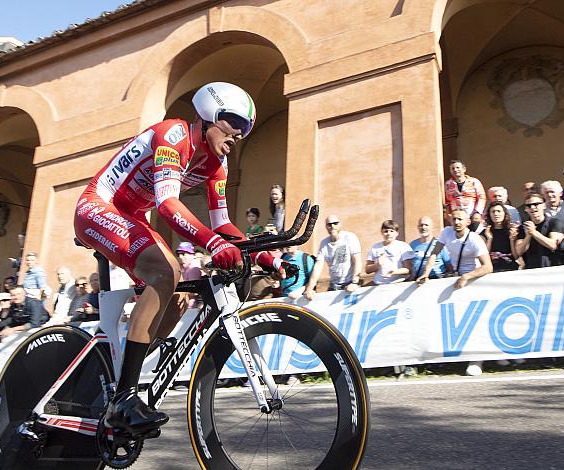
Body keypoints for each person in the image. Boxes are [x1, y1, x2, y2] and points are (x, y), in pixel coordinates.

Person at [73, 82, 285, 434]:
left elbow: (224, 224)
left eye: (245, 128)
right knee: (167, 270)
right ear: (208, 115)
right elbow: (169, 205)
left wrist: (263, 257)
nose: (239, 134)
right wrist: (213, 245)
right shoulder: (173, 134)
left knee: (178, 296)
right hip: (98, 206)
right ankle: (123, 400)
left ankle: (121, 375)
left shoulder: (218, 164)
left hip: (131, 218)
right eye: (233, 122)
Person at [417, 209, 493, 376]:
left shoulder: (474, 240)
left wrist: (467, 276)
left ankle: (477, 360)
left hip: (472, 281)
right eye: (454, 219)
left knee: (472, 321)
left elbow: (488, 266)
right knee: (453, 322)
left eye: (460, 219)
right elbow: (434, 253)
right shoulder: (446, 233)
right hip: (455, 281)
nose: (456, 222)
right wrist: (425, 273)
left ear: (467, 222)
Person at [304, 215, 362, 300]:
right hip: (334, 286)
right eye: (329, 224)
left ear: (340, 224)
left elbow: (357, 261)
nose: (332, 226)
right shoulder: (324, 243)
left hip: (350, 284)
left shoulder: (350, 237)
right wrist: (309, 288)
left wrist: (354, 282)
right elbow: (318, 267)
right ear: (326, 227)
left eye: (335, 223)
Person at [515, 193, 564, 269]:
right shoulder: (523, 227)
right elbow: (519, 251)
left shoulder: (553, 223)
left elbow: (553, 245)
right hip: (531, 270)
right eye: (529, 205)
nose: (532, 207)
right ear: (526, 209)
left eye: (536, 204)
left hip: (552, 268)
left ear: (544, 205)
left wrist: (534, 232)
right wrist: (528, 236)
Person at [365, 220, 414, 285]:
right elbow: (367, 270)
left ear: (397, 233)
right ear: (382, 233)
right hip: (378, 284)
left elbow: (408, 270)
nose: (388, 233)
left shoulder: (403, 246)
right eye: (386, 231)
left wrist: (394, 272)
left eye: (391, 231)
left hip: (398, 283)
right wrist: (377, 264)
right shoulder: (375, 247)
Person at [482, 202, 520, 272]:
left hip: (510, 267)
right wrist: (489, 239)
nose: (496, 214)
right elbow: (484, 256)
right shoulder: (485, 232)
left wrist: (512, 240)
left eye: (498, 211)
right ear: (489, 215)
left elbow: (516, 256)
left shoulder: (511, 230)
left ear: (504, 213)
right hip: (493, 269)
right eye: (493, 212)